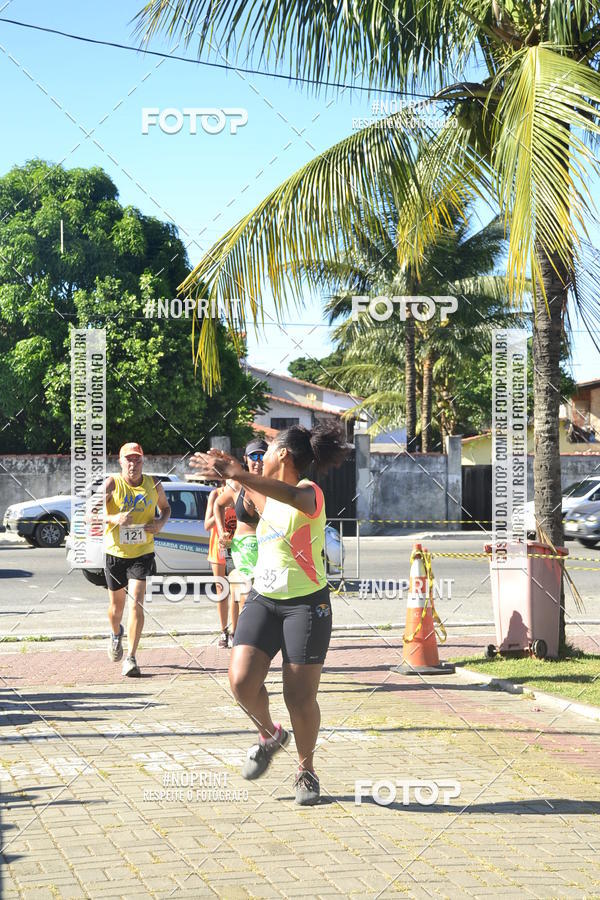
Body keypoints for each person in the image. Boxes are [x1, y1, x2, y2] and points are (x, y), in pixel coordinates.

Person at [190, 423, 348, 805]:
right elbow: (245, 495)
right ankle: (270, 734)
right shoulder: (262, 493)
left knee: (299, 697)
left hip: (306, 605)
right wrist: (230, 471)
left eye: (270, 450)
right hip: (264, 598)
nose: (263, 457)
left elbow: (287, 494)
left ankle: (306, 770)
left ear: (284, 456)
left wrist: (241, 475)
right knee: (241, 681)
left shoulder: (308, 494)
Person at [104, 442, 171, 676]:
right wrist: (114, 518)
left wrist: (160, 523)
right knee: (116, 607)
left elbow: (166, 509)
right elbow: (94, 511)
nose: (133, 464)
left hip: (142, 551)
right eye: (128, 460)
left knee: (136, 603)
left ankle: (131, 658)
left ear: (143, 461)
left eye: (137, 459)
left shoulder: (154, 484)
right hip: (116, 553)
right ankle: (115, 634)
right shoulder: (113, 483)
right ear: (120, 462)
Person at [212, 440, 266, 646]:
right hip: (240, 550)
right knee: (244, 595)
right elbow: (218, 504)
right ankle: (241, 640)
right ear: (246, 459)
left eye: (262, 456)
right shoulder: (236, 485)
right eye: (254, 457)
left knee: (257, 599)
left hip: (264, 548)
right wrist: (221, 531)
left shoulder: (271, 485)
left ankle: (245, 640)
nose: (258, 462)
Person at [205, 481, 237, 649]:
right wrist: (221, 510)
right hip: (218, 548)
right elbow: (206, 525)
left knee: (236, 591)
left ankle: (234, 631)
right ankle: (223, 630)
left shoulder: (240, 492)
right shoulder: (215, 494)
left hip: (237, 548)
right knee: (221, 590)